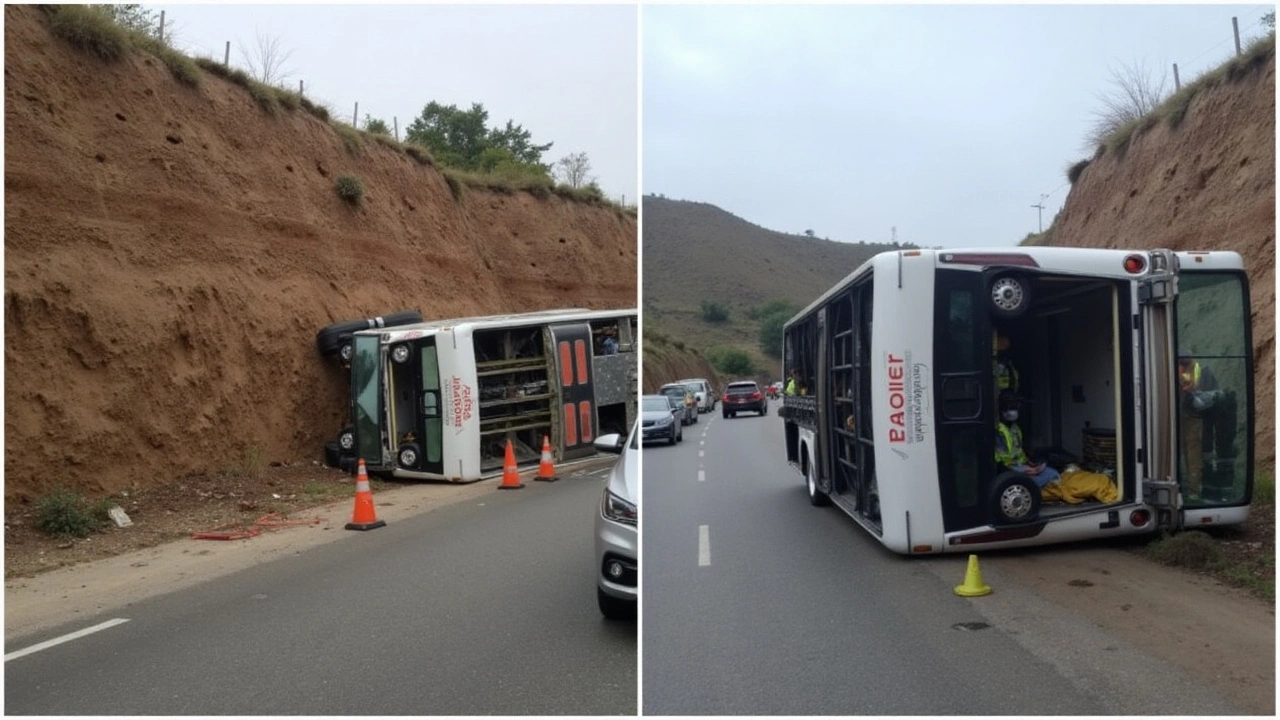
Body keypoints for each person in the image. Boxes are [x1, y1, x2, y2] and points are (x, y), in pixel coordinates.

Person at [1177, 349, 1234, 500]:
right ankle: (1192, 489)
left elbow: (1207, 397)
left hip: (1193, 418)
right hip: (1183, 417)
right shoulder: (1193, 370)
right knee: (1190, 456)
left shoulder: (1199, 372)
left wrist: (1193, 392)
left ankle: (1194, 491)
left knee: (1193, 457)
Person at [995, 391, 1060, 488]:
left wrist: (1032, 465)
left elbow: (1019, 451)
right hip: (1009, 471)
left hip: (1022, 466)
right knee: (1033, 482)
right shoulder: (998, 431)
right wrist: (1027, 471)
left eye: (1015, 408)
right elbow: (1000, 462)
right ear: (1002, 411)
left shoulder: (1015, 429)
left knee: (1053, 474)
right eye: (1010, 408)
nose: (1013, 412)